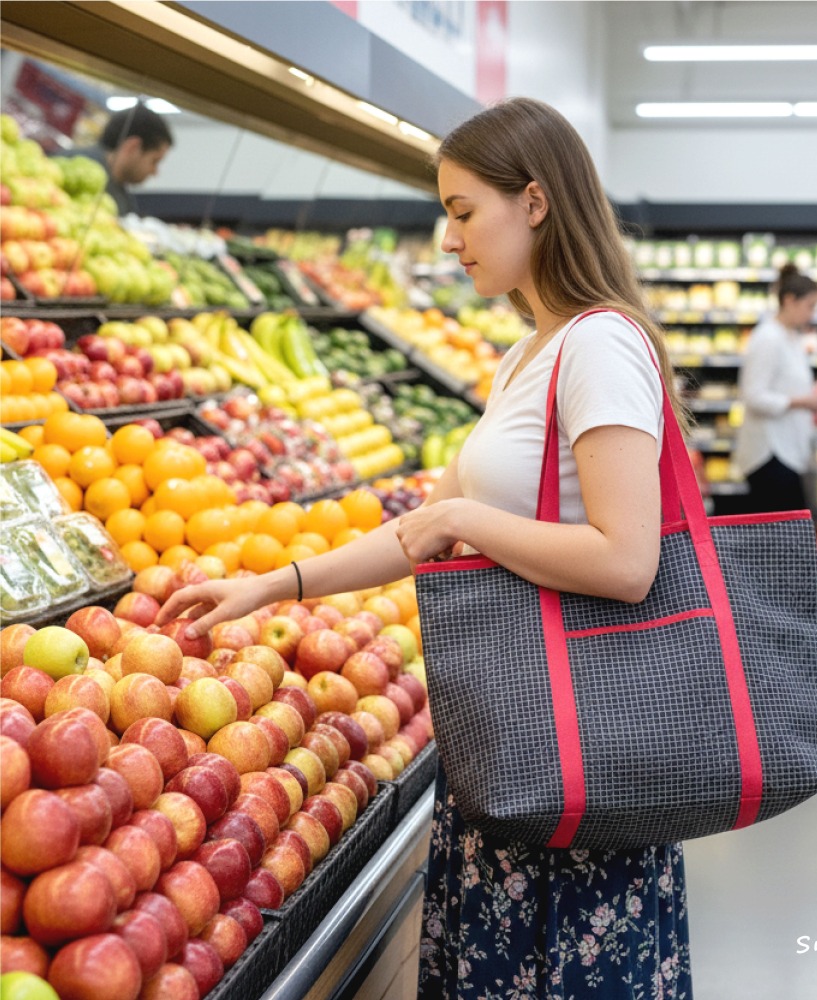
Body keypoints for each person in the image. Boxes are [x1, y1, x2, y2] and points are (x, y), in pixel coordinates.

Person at [157, 97, 693, 999]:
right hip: (509, 745)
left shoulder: (600, 346)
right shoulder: (529, 355)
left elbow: (627, 560)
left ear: (534, 201)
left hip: (577, 762)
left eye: (460, 211)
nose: (449, 240)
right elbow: (421, 529)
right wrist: (273, 584)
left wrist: (465, 525)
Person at [733, 263, 817, 513]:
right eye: (810, 305)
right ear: (789, 300)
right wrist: (802, 403)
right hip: (770, 456)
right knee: (780, 541)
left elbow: (787, 384)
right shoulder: (768, 338)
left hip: (787, 452)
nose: (812, 314)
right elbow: (752, 396)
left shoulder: (791, 337)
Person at [55, 103, 173, 215]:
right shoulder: (67, 170)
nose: (154, 172)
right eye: (154, 161)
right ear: (133, 146)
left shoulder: (124, 200)